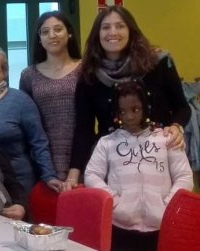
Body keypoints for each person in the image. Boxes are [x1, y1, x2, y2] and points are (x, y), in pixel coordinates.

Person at [72, 6, 190, 173]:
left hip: (161, 157)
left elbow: (182, 107)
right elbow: (83, 130)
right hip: (115, 164)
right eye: (105, 27)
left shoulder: (158, 63)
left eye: (120, 26)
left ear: (131, 31)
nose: (113, 32)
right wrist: (74, 172)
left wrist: (177, 126)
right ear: (97, 35)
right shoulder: (88, 75)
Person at [84, 81, 193, 251]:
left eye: (135, 109)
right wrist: (113, 201)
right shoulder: (107, 142)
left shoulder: (166, 138)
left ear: (146, 106)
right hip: (119, 226)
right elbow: (91, 174)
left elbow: (184, 176)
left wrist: (169, 205)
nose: (128, 116)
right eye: (122, 111)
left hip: (161, 226)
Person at [0, 48, 62, 194]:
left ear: (4, 71)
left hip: (16, 180)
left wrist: (49, 175)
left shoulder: (21, 101)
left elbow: (38, 141)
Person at [19, 11, 82, 191]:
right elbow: (28, 124)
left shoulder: (85, 69)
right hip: (43, 155)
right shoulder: (29, 75)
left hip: (80, 152)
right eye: (45, 32)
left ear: (69, 33)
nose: (52, 35)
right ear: (39, 38)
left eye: (58, 29)